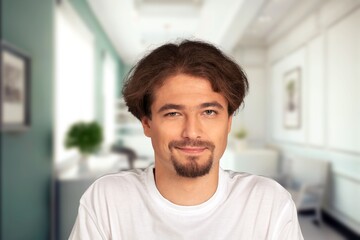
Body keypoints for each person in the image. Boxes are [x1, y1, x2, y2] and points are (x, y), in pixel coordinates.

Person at [69, 40, 304, 239]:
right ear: (147, 123)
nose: (192, 132)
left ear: (229, 121)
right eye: (173, 114)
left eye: (209, 112)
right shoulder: (106, 200)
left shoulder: (269, 203)